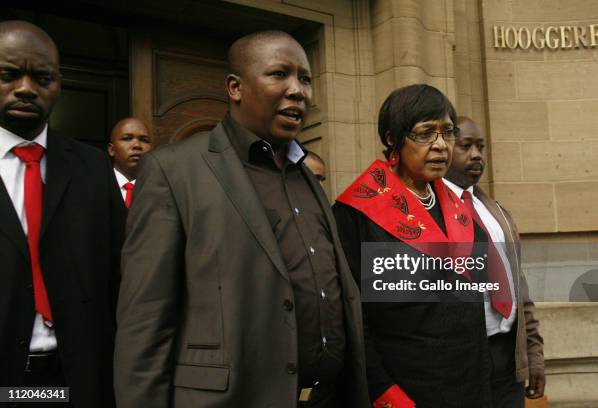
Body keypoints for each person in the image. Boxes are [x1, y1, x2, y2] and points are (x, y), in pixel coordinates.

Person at [114, 30, 369, 408]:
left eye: (305, 78)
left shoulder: (306, 174)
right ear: (235, 87)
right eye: (280, 74)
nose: (298, 90)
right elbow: (145, 322)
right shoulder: (173, 171)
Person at [333, 84, 492, 407]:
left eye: (447, 133)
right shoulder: (355, 213)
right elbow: (351, 316)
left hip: (469, 384)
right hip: (403, 387)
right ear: (392, 139)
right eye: (424, 134)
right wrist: (380, 388)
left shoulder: (462, 209)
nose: (440, 146)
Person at [0, 21, 123, 407]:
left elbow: (122, 273)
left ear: (59, 84)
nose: (25, 88)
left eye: (42, 77)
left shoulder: (93, 167)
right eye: (8, 75)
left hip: (80, 379)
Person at [444, 116, 545, 407]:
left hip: (507, 361)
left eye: (481, 146)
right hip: (461, 363)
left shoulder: (498, 213)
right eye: (466, 146)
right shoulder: (430, 213)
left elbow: (520, 291)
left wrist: (534, 357)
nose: (476, 154)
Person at [107, 117, 152, 208]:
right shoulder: (96, 187)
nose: (137, 145)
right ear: (112, 149)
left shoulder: (162, 190)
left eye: (144, 140)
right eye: (127, 138)